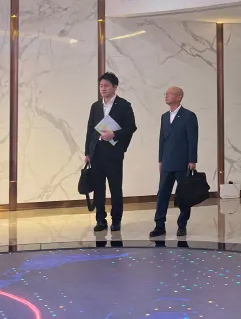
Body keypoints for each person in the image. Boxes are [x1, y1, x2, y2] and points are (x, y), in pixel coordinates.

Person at [84, 72, 137, 232]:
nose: (103, 89)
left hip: (114, 153)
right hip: (97, 152)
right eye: (101, 86)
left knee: (115, 188)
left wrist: (114, 134)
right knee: (98, 188)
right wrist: (87, 152)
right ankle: (100, 219)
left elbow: (131, 127)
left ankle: (116, 220)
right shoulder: (95, 106)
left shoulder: (124, 105)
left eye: (106, 86)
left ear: (114, 87)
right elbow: (90, 129)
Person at [150, 87, 199, 238]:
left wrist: (192, 160)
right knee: (162, 194)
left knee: (184, 195)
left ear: (179, 97)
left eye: (169, 94)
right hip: (167, 162)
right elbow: (162, 140)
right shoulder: (164, 117)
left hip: (183, 162)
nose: (166, 96)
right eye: (165, 94)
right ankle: (159, 225)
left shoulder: (189, 116)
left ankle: (182, 225)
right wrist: (160, 159)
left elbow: (193, 139)